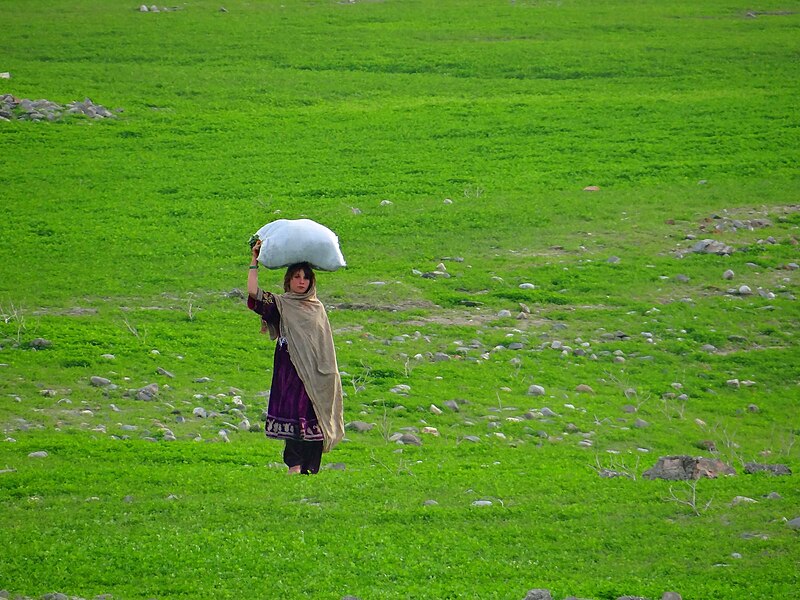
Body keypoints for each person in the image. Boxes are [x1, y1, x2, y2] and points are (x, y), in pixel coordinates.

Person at [247, 239, 344, 474]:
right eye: (297, 277)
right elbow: (253, 295)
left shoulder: (317, 308)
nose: (302, 282)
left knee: (314, 414)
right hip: (290, 369)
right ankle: (294, 465)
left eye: (306, 278)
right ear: (288, 280)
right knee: (294, 413)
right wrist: (254, 261)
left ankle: (310, 468)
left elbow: (323, 344)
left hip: (318, 372)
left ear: (311, 282)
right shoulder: (281, 304)